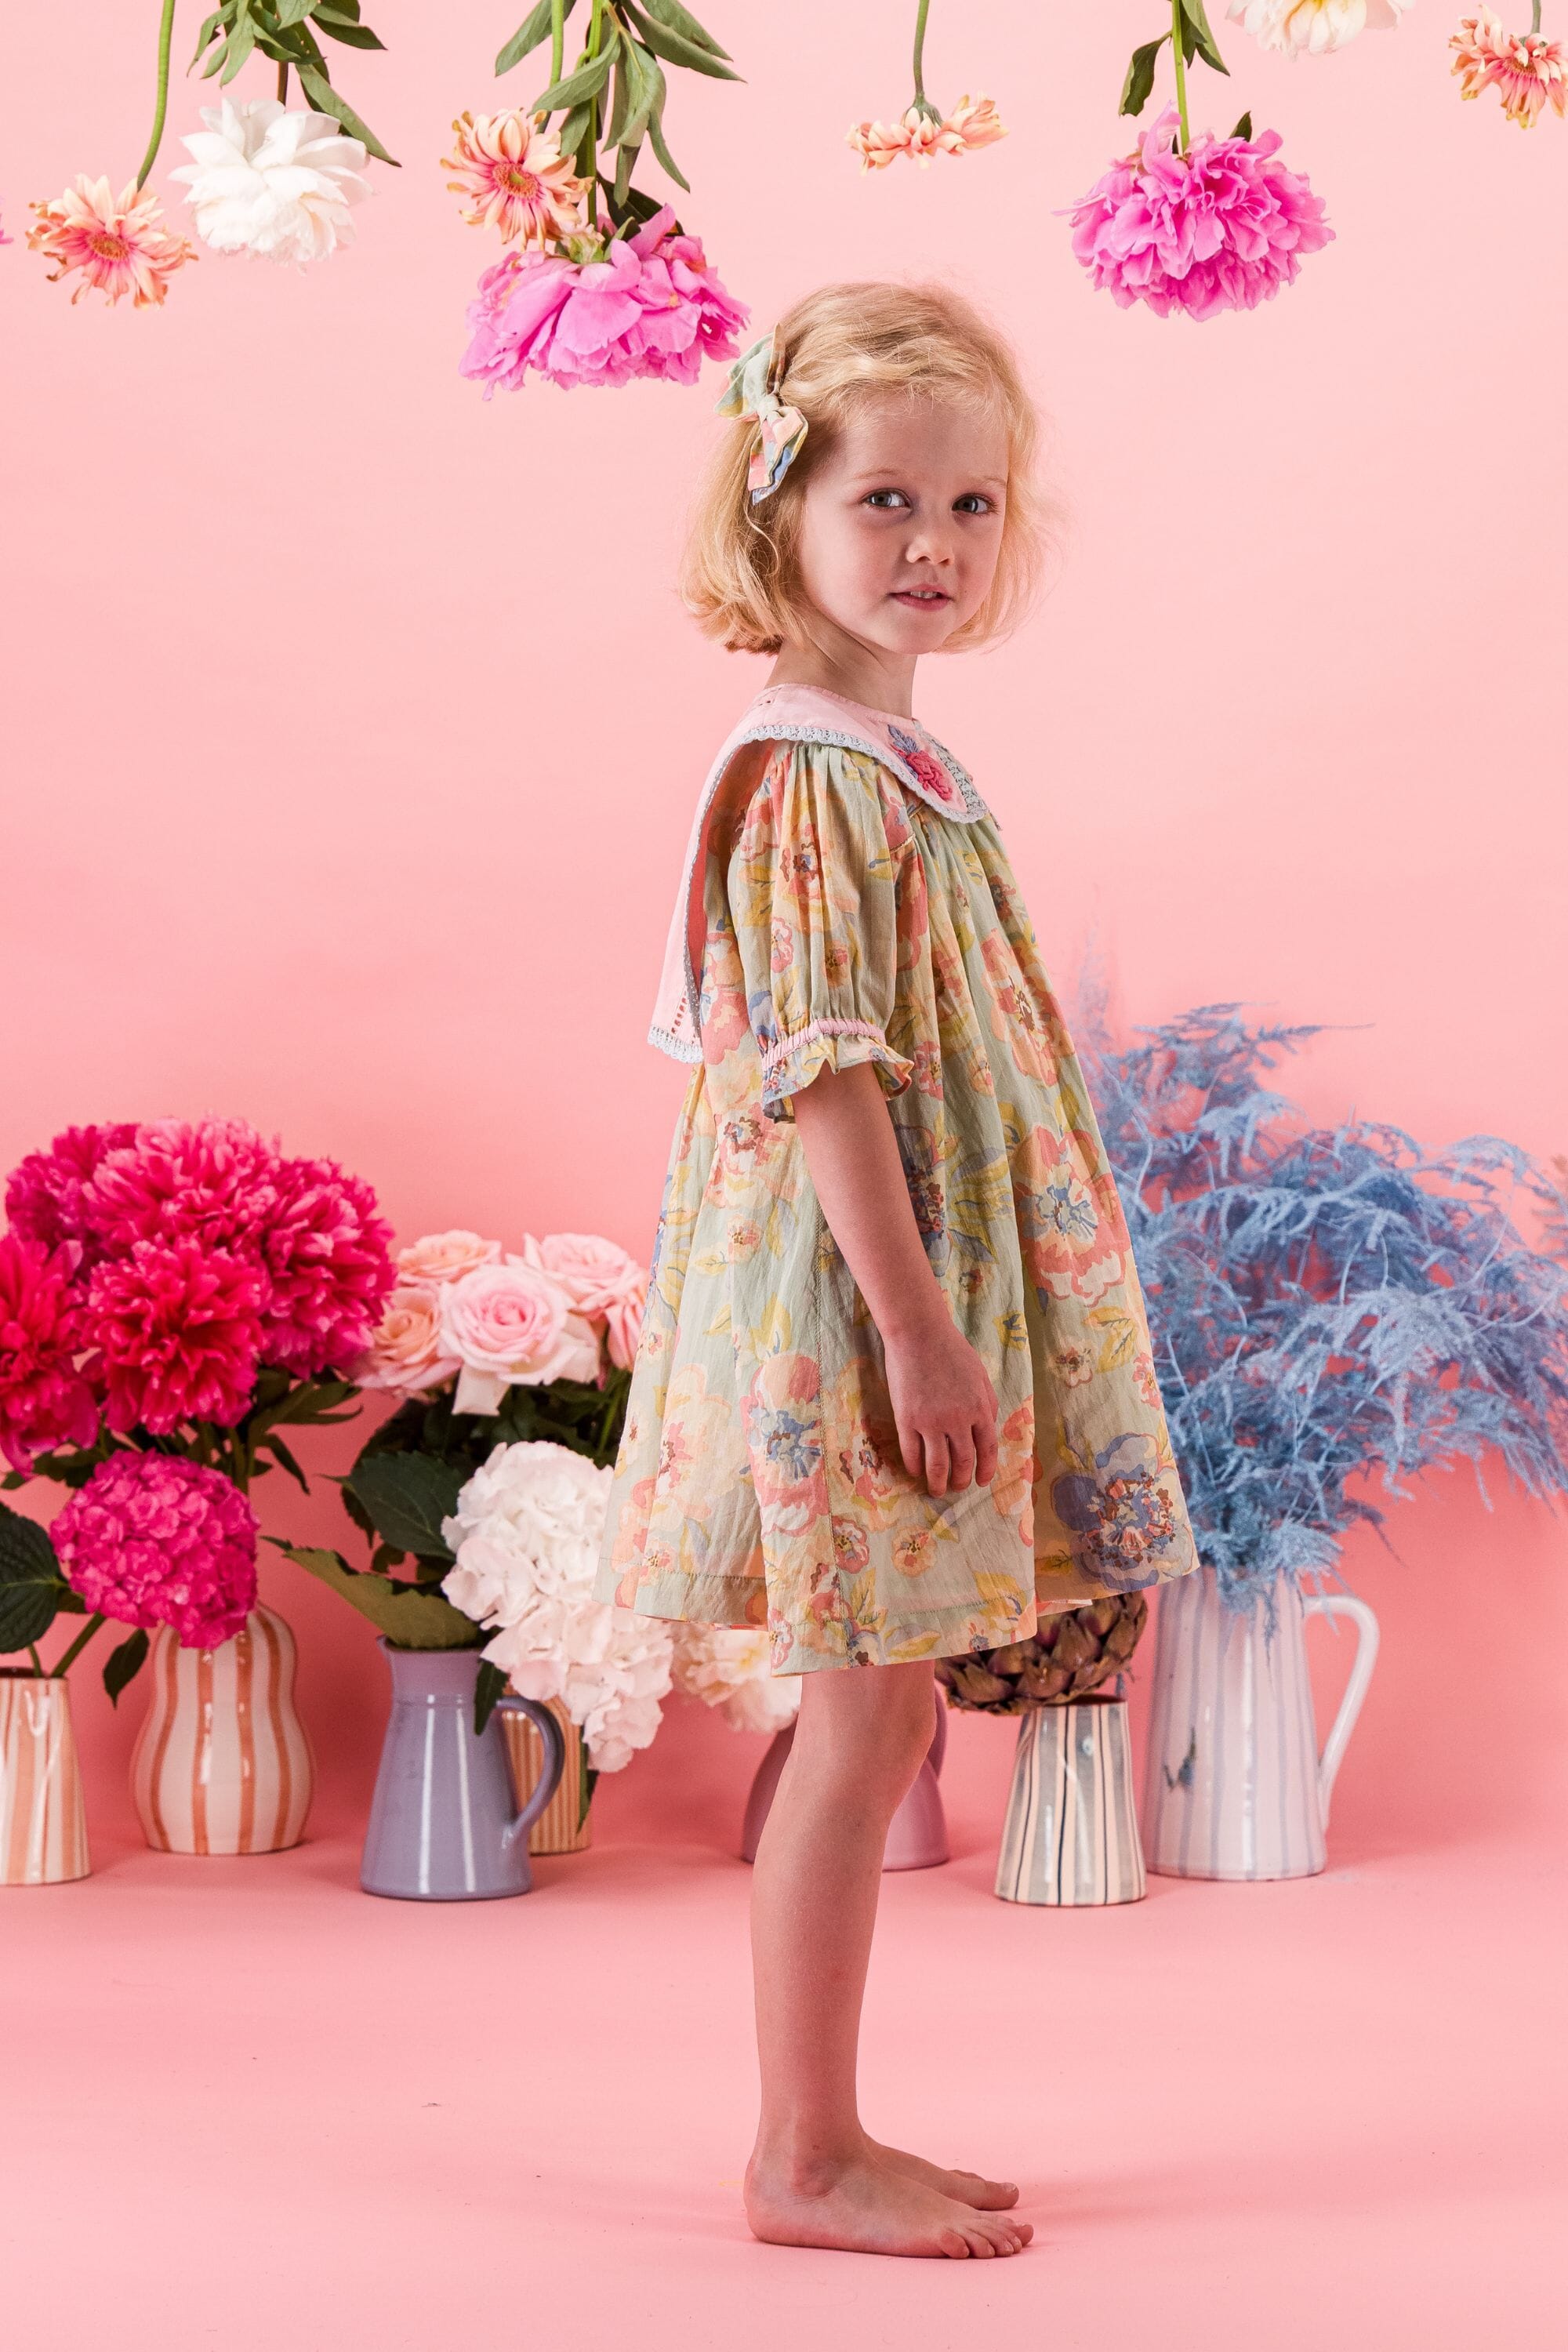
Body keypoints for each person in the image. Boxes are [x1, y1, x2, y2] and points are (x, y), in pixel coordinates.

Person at [596, 283, 1196, 2259]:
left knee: (884, 1718)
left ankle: (829, 2130)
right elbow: (822, 1073)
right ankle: (802, 2153)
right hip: (864, 1314)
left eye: (971, 503)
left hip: (905, 1295)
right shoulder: (810, 777)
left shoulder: (891, 761)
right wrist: (921, 1332)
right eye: (882, 499)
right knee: (860, 1727)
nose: (932, 542)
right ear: (775, 507)